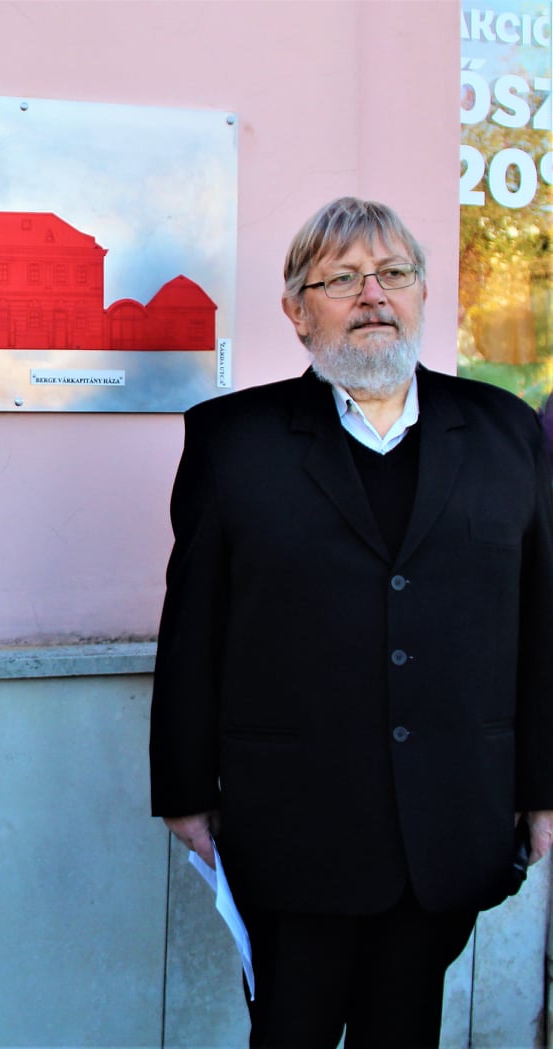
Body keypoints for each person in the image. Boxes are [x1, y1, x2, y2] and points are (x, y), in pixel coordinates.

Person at [149, 196, 553, 1048]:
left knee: (403, 1028)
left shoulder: (504, 432)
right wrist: (183, 790)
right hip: (290, 821)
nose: (373, 295)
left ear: (422, 293)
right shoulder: (232, 439)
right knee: (288, 1028)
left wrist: (541, 788)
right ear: (296, 311)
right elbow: (192, 624)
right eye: (341, 279)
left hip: (450, 816)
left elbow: (539, 618)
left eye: (393, 273)